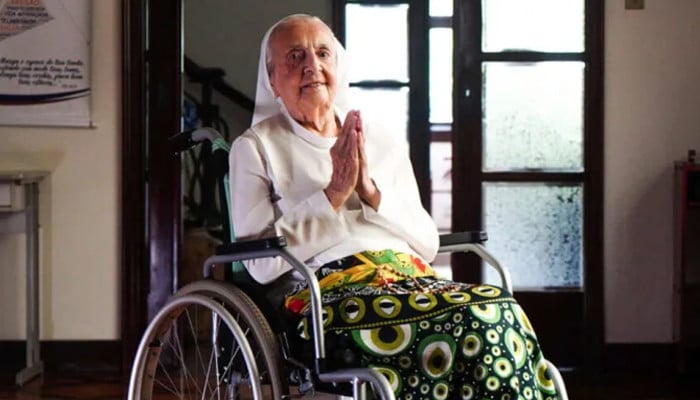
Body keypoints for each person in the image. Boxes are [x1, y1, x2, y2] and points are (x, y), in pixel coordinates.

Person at [229, 13, 560, 400]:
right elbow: (260, 263)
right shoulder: (254, 148)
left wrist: (369, 191)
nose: (312, 67)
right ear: (272, 80)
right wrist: (333, 194)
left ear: (338, 66)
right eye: (295, 56)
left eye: (322, 53)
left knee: (498, 310)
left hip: (410, 280)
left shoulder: (379, 139)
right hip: (328, 295)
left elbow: (427, 244)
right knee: (471, 319)